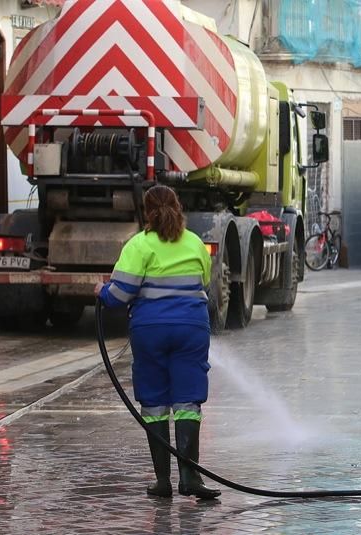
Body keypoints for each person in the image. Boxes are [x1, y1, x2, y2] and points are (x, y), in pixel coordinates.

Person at [95, 185, 220, 499]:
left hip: (150, 330)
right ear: (178, 208)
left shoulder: (139, 245)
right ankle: (190, 478)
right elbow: (205, 283)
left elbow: (119, 294)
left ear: (147, 212)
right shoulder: (195, 243)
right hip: (191, 328)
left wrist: (101, 291)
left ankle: (163, 481)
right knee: (188, 400)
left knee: (154, 403)